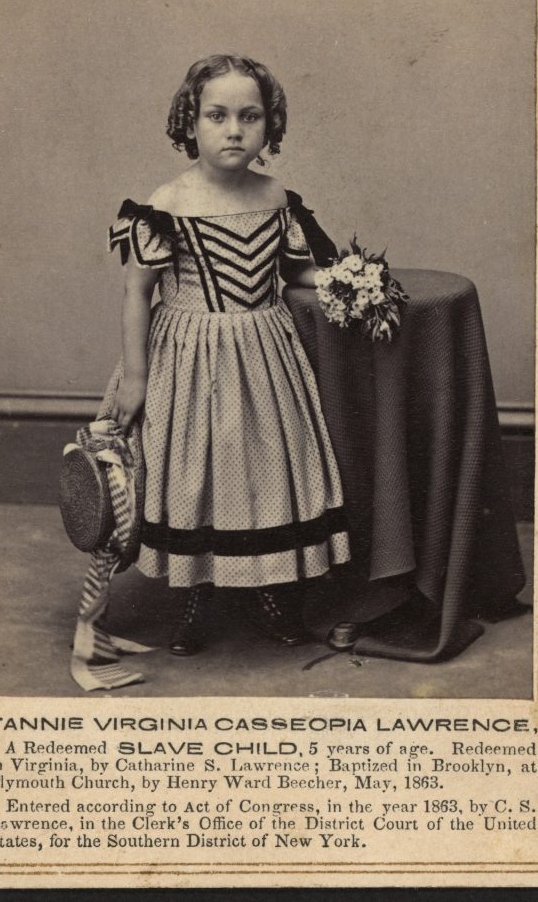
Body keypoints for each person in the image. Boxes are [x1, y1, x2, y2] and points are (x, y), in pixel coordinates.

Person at [103, 54, 350, 656]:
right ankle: (195, 596)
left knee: (263, 470)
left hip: (265, 356)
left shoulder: (275, 196)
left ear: (270, 126)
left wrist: (350, 282)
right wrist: (135, 377)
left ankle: (268, 591)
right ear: (190, 123)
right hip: (188, 359)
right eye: (217, 116)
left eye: (250, 117)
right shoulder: (168, 203)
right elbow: (137, 293)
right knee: (196, 471)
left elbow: (295, 270)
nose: (234, 131)